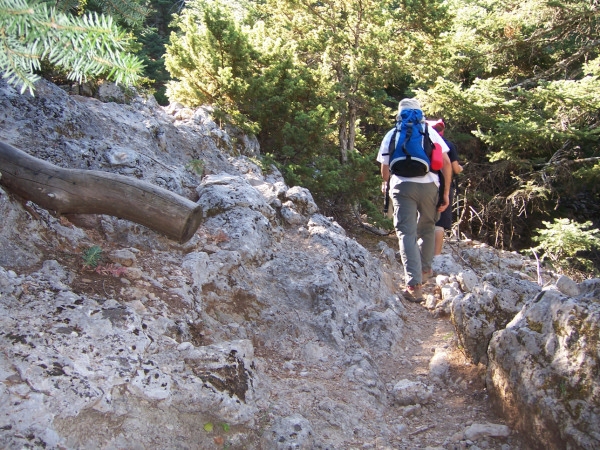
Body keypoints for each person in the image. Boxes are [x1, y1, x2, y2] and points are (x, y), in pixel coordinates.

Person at [377, 98, 452, 303]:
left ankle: (414, 285)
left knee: (406, 234)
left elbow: (385, 168)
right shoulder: (429, 132)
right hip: (430, 186)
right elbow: (446, 162)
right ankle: (425, 270)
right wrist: (445, 192)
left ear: (399, 114)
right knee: (427, 228)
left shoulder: (393, 134)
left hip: (402, 187)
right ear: (420, 114)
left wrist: (388, 183)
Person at [428, 119, 463, 255]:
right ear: (442, 130)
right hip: (444, 185)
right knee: (439, 223)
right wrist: (461, 168)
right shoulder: (448, 145)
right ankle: (436, 256)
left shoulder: (423, 141)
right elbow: (454, 168)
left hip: (426, 183)